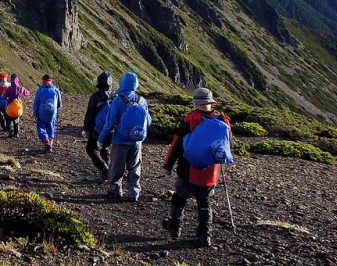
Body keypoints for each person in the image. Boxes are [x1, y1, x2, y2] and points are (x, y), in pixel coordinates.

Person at [163, 87, 231, 247]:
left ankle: (174, 228)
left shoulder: (190, 120)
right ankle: (204, 235)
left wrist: (168, 165)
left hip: (188, 170)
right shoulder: (222, 121)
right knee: (204, 202)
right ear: (211, 103)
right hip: (210, 173)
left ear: (196, 103)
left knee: (179, 198)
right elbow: (228, 146)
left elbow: (177, 145)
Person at [97, 72, 150, 201]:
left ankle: (115, 189)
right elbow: (148, 121)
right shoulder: (141, 100)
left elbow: (109, 123)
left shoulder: (117, 101)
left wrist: (101, 140)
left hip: (120, 140)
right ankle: (134, 192)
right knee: (135, 167)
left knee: (116, 166)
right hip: (136, 141)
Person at [82, 72, 114, 181]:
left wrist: (86, 129)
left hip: (97, 129)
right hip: (111, 129)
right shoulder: (115, 95)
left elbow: (90, 114)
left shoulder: (96, 97)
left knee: (91, 149)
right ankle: (110, 170)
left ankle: (105, 169)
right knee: (104, 147)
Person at [33, 74, 62, 152]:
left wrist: (35, 113)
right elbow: (59, 104)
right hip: (52, 114)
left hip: (42, 114)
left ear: (43, 81)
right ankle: (51, 142)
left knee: (41, 128)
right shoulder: (56, 90)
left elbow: (36, 103)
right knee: (51, 127)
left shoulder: (40, 90)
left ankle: (46, 143)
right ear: (51, 81)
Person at [1, 74, 30, 138]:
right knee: (16, 120)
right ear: (17, 80)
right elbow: (28, 93)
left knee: (9, 118)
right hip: (18, 106)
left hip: (10, 106)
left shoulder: (9, 89)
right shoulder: (21, 88)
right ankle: (17, 132)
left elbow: (4, 97)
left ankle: (10, 130)